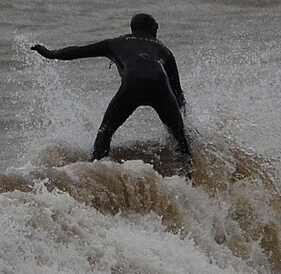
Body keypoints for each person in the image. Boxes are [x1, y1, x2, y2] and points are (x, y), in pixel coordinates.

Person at [31, 13, 193, 174]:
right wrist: (184, 121)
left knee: (106, 131)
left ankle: (96, 172)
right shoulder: (164, 50)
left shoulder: (116, 43)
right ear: (155, 29)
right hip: (160, 88)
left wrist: (50, 54)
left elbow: (78, 51)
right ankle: (188, 179)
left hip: (132, 86)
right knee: (179, 137)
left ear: (132, 28)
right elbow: (178, 92)